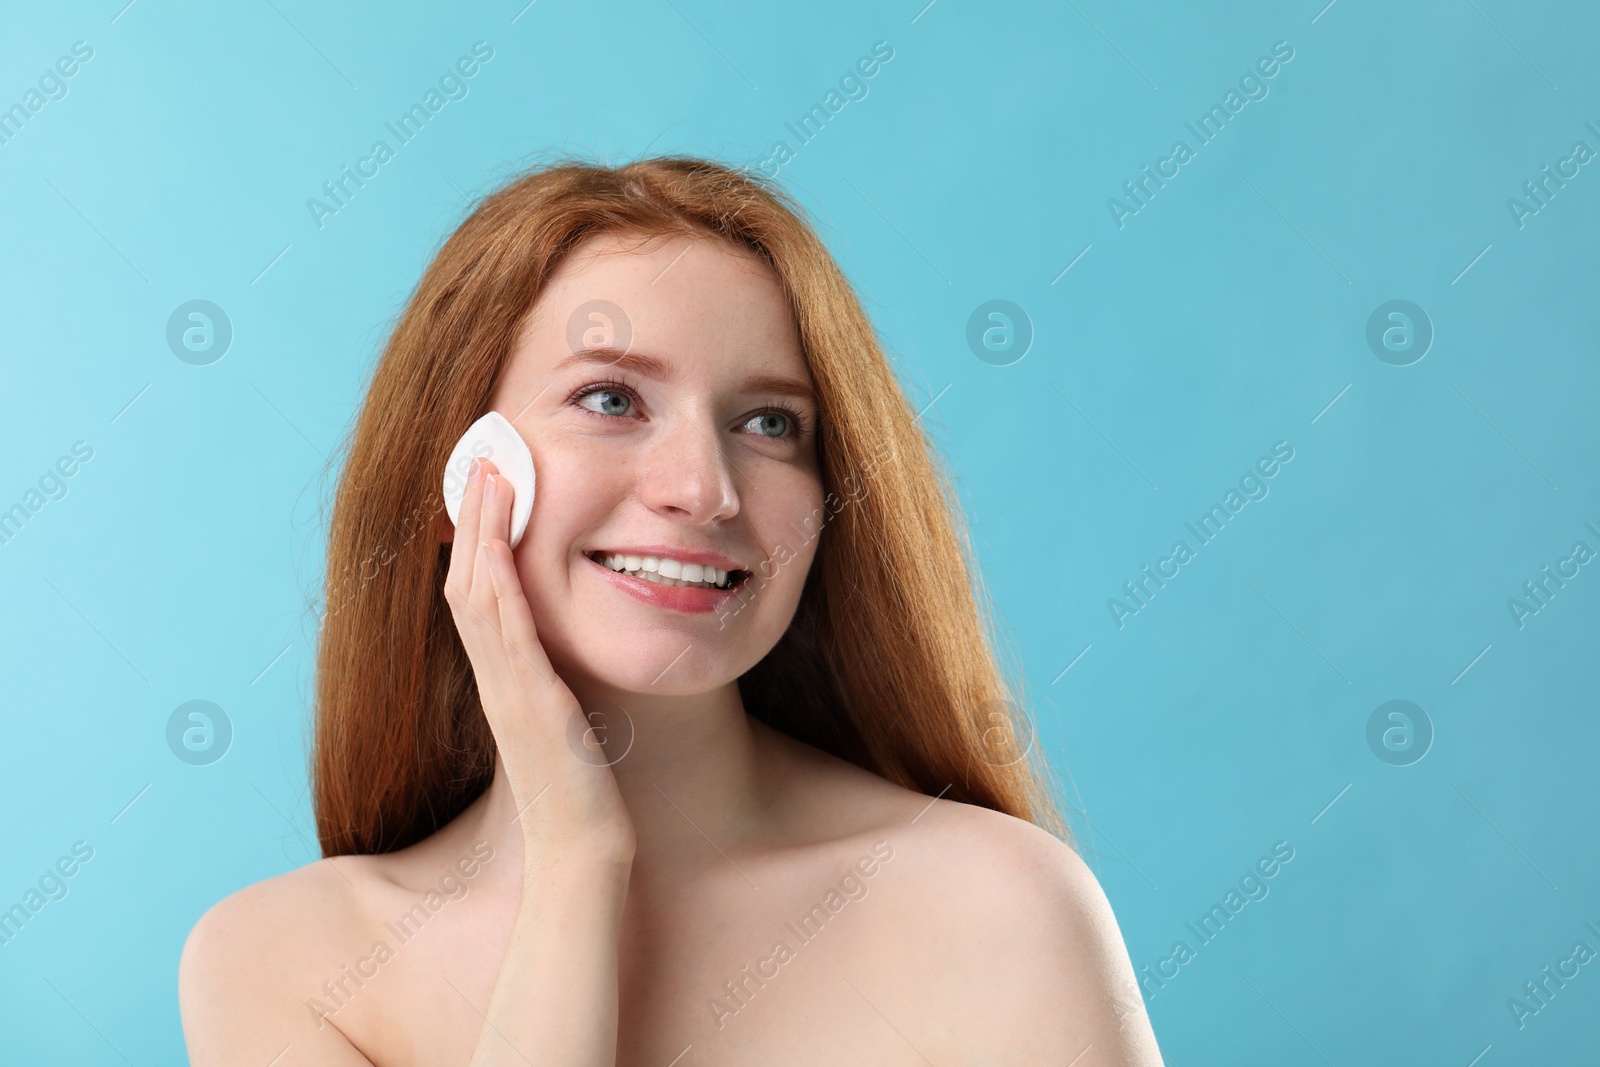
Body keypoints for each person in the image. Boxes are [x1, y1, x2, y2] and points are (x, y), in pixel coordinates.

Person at [178, 154, 1166, 1065]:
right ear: (465, 474)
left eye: (769, 423)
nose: (705, 488)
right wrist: (573, 856)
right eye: (610, 399)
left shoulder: (997, 904)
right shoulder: (285, 961)